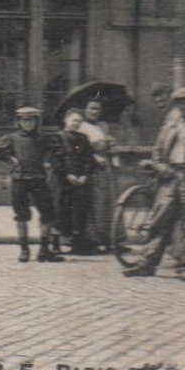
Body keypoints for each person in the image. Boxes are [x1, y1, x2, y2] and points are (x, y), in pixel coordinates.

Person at [124, 87, 185, 280]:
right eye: (180, 103)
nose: (184, 107)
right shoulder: (169, 126)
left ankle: (184, 265)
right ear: (176, 105)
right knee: (160, 219)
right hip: (170, 177)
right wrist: (159, 167)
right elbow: (158, 151)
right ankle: (147, 263)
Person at [0, 106, 64, 263]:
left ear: (37, 122)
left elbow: (57, 151)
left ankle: (44, 249)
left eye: (32, 120)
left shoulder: (43, 139)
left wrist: (49, 161)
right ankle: (24, 249)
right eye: (25, 120)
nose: (28, 124)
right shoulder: (12, 138)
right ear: (19, 122)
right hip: (20, 180)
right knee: (21, 215)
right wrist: (10, 159)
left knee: (47, 214)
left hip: (38, 180)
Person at [52, 109, 97, 254]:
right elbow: (55, 159)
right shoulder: (57, 138)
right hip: (62, 180)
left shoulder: (83, 138)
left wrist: (85, 175)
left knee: (79, 211)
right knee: (60, 210)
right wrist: (66, 174)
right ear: (66, 120)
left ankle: (77, 243)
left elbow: (89, 159)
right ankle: (56, 243)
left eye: (79, 121)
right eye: (74, 120)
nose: (76, 124)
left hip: (80, 180)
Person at [77, 97, 117, 256]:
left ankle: (109, 239)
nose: (95, 112)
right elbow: (81, 148)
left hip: (105, 167)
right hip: (91, 167)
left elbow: (106, 145)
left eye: (98, 109)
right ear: (85, 110)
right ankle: (92, 240)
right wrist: (98, 149)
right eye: (91, 108)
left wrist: (111, 143)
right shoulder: (81, 127)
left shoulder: (103, 125)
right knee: (94, 204)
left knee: (108, 202)